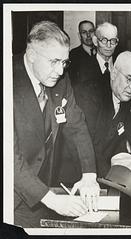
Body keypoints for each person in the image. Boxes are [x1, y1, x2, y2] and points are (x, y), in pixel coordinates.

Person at [13, 21, 100, 228]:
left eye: (64, 62)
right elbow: (9, 159)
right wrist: (53, 200)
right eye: (54, 61)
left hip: (41, 190)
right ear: (32, 55)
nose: (60, 70)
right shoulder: (8, 81)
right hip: (11, 195)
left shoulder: (60, 80)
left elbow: (77, 125)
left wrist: (89, 175)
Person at [70, 51, 131, 181]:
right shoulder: (89, 95)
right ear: (113, 74)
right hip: (77, 173)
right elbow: (88, 145)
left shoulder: (127, 97)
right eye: (129, 79)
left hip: (103, 170)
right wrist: (113, 179)